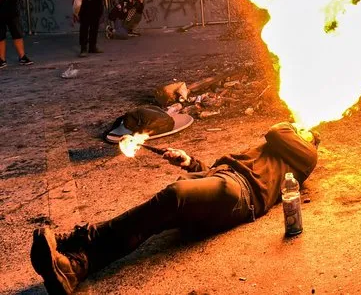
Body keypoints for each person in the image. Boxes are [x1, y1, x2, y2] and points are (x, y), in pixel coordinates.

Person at [30, 122, 320, 294]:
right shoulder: (275, 150)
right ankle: (76, 263)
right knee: (155, 215)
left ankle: (81, 250)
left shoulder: (305, 157)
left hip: (242, 194)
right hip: (223, 183)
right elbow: (217, 171)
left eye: (304, 130)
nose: (299, 127)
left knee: (175, 195)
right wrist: (189, 161)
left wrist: (297, 127)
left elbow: (276, 130)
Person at [0, 0, 33, 68]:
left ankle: (22, 56)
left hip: (12, 11)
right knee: (0, 36)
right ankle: (1, 59)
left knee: (17, 34)